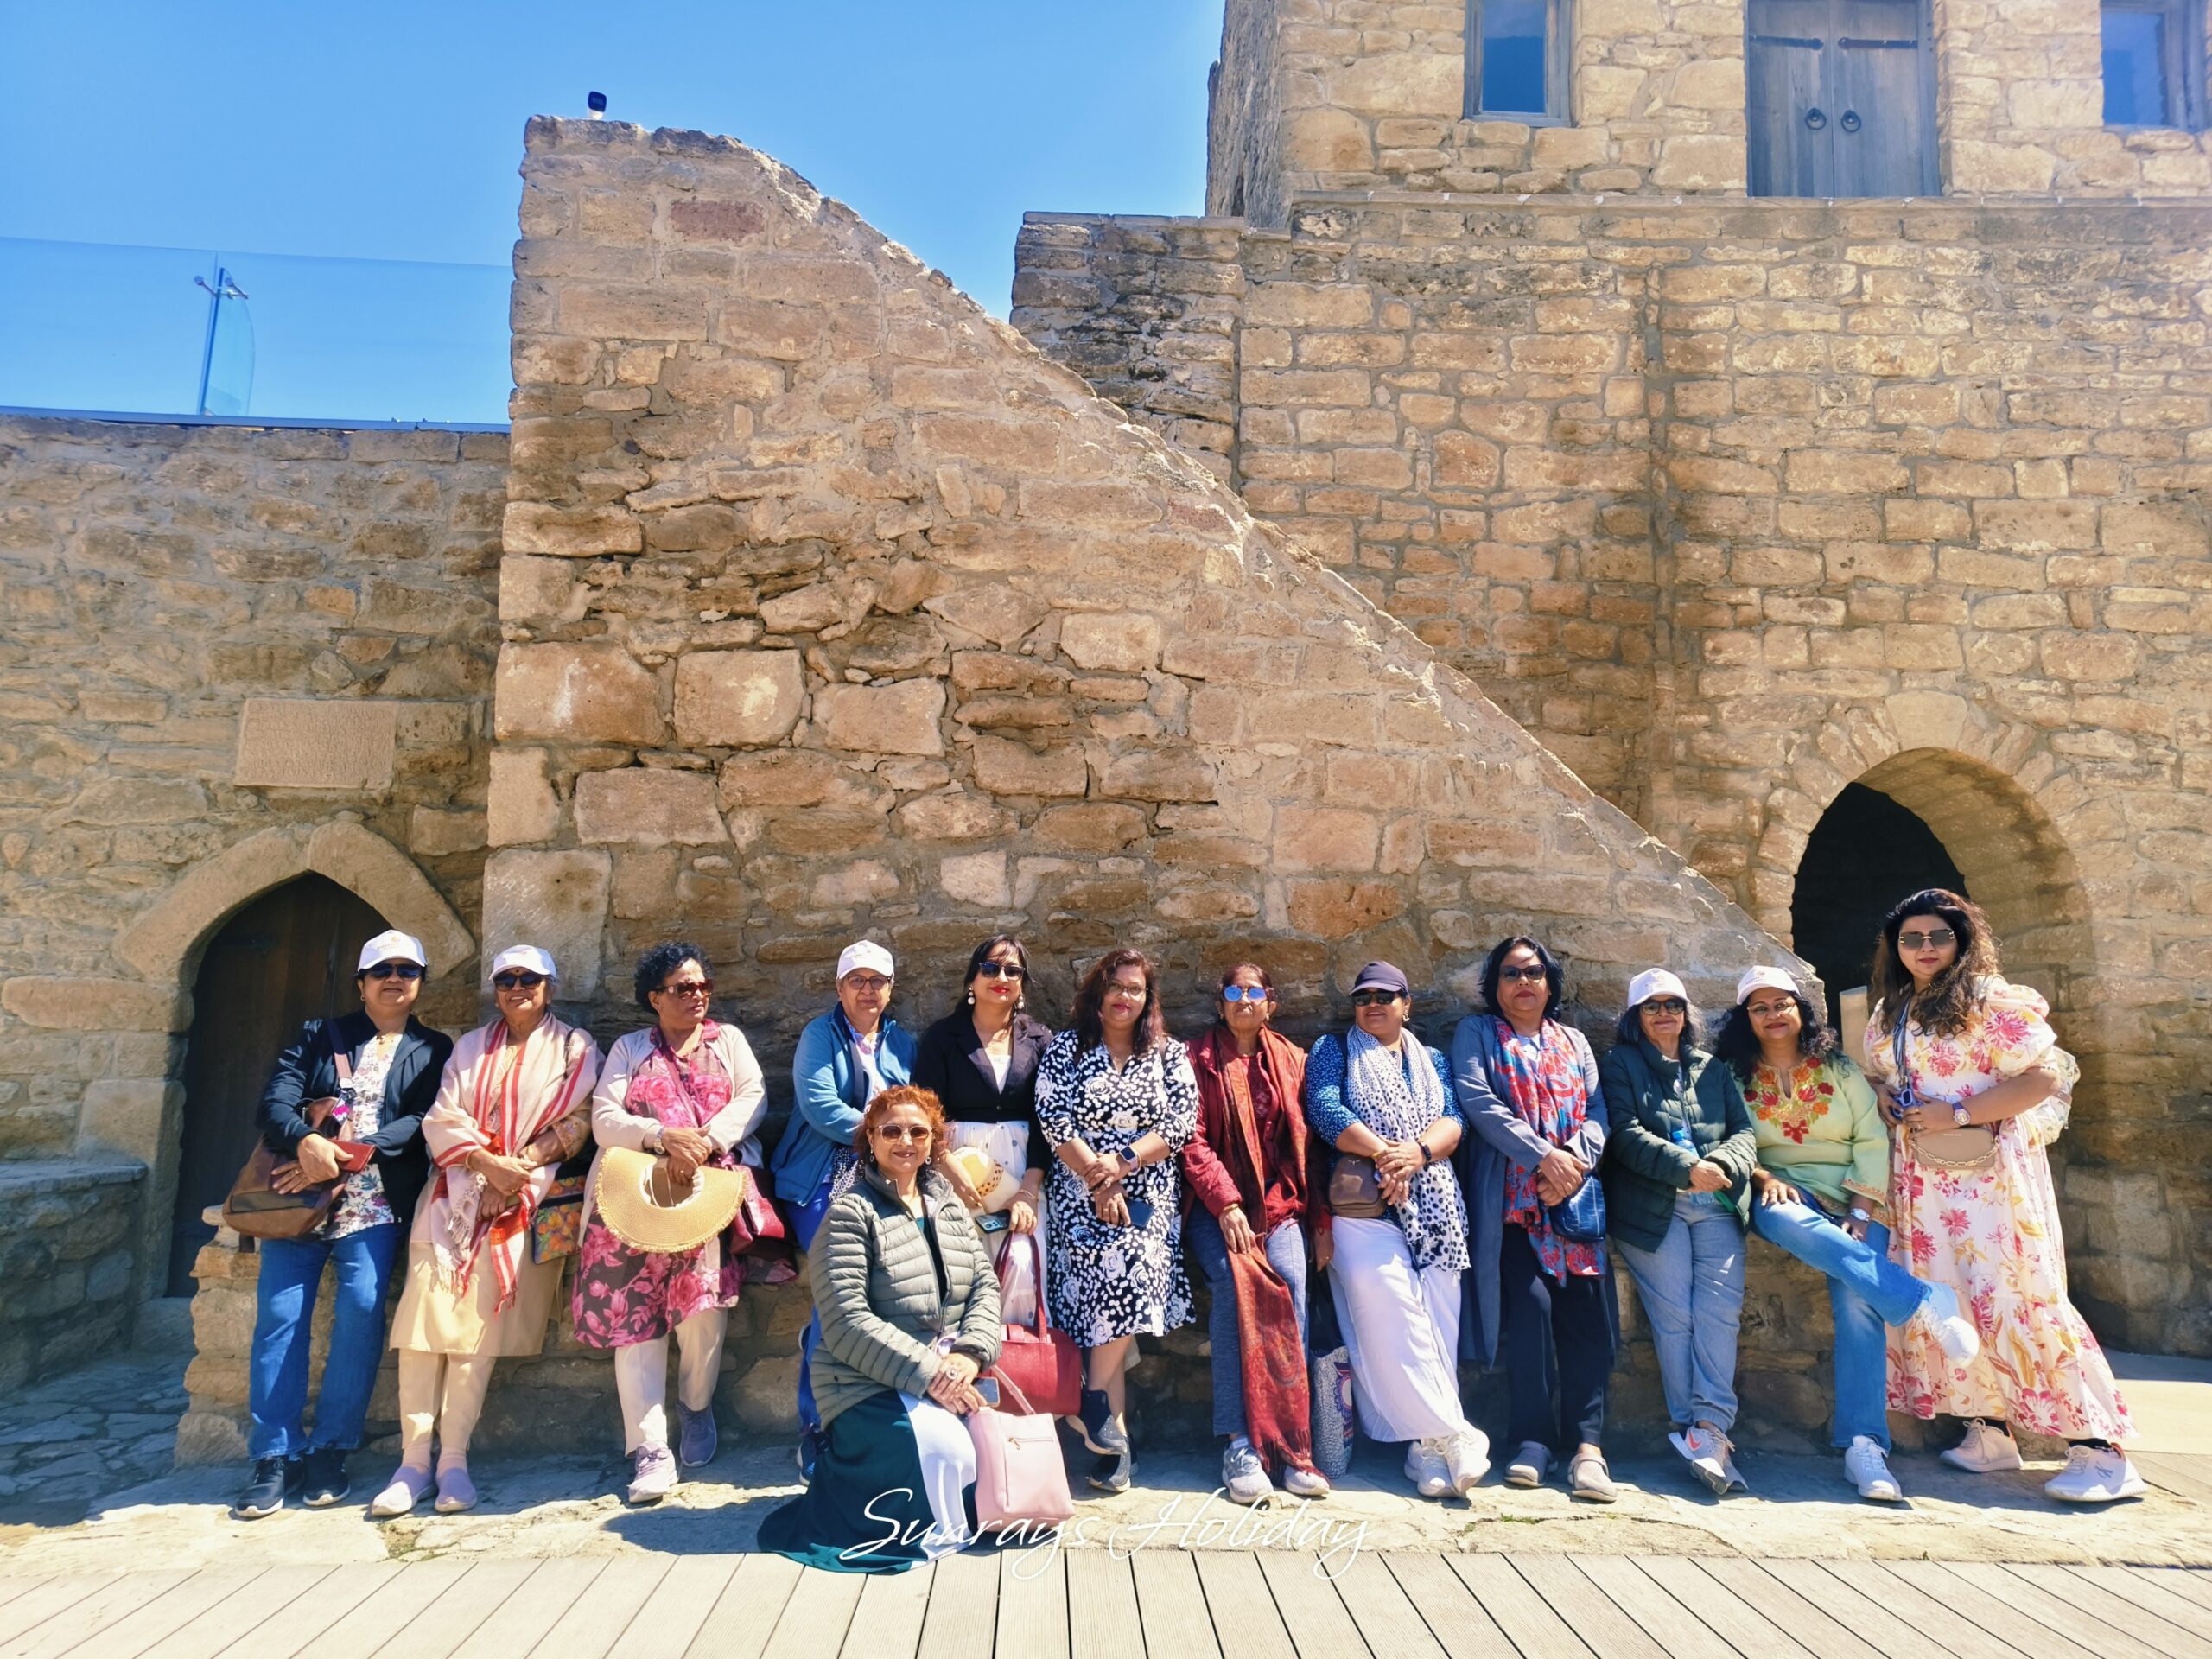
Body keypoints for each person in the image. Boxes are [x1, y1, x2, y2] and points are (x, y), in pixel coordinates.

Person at [1865, 887, 2142, 1503]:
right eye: (1912, 938)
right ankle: (1988, 1432)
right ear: (1896, 947)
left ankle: (2101, 1450)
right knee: (1949, 1297)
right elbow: (1882, 1073)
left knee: (2020, 1295)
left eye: (1939, 936)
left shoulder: (1990, 1001)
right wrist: (1883, 1094)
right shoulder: (1893, 1011)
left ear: (1962, 941)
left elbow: (2043, 1076)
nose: (1926, 948)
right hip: (1924, 1183)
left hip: (1992, 1180)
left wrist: (1959, 1112)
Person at [1714, 965, 1980, 1503]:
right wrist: (1765, 1178)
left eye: (1782, 1004)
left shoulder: (1838, 1067)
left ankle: (1865, 1446)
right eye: (1759, 1008)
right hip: (1783, 1190)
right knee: (1783, 1218)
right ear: (1746, 1019)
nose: (1772, 1015)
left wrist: (1860, 1208)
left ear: (1800, 1010)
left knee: (1859, 1304)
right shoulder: (1732, 1076)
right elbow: (1730, 1139)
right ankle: (1920, 1299)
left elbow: (1871, 1138)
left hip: (1856, 1193)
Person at [370, 944, 599, 1517]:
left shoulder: (575, 1048)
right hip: (452, 1198)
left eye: (529, 979)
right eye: (506, 980)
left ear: (549, 987)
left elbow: (579, 1121)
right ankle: (411, 1463)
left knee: (477, 1333)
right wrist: (483, 1166)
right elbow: (442, 1118)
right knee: (422, 1329)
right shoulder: (470, 1047)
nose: (517, 988)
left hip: (521, 1199)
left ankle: (453, 1460)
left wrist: (514, 1170)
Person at [236, 929, 453, 1520]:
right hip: (298, 1203)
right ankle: (274, 1455)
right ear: (361, 984)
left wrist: (348, 1156)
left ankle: (330, 1450)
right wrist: (306, 1141)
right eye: (382, 970)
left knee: (359, 1320)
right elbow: (275, 1101)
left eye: (407, 970)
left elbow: (423, 1119)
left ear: (420, 984)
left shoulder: (434, 1048)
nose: (394, 979)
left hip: (373, 1207)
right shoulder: (319, 1035)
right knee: (279, 1322)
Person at [759, 1084, 1002, 1572]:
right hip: (864, 1381)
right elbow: (847, 1321)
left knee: (997, 1448)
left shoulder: (948, 1205)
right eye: (891, 1131)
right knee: (949, 1452)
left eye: (919, 1132)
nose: (905, 1141)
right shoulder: (849, 1214)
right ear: (870, 1139)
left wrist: (970, 1354)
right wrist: (932, 1373)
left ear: (934, 1141)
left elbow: (985, 1286)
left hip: (951, 1369)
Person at [572, 941, 768, 1505]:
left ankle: (696, 1406)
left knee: (703, 1312)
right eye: (683, 988)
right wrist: (662, 1137)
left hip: (704, 1196)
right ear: (654, 998)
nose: (697, 995)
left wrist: (705, 1141)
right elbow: (605, 1118)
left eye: (703, 985)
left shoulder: (728, 1043)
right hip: (634, 1201)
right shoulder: (630, 1049)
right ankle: (650, 1448)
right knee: (635, 1320)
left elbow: (753, 1097)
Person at [1307, 961, 1488, 1501]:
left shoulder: (1432, 1060)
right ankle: (1456, 1433)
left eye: (1385, 996)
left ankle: (1426, 1452)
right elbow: (1325, 1109)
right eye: (1363, 997)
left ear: (1406, 1005)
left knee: (1438, 1326)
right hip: (1364, 1211)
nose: (1373, 1005)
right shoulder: (1334, 1050)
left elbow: (1454, 1120)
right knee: (1397, 1321)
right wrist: (1388, 1155)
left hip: (1436, 1209)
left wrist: (1418, 1153)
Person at [1452, 937, 1616, 1503]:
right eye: (1511, 973)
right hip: (1514, 1205)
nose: (1524, 982)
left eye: (1534, 972)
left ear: (1550, 982)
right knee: (1531, 1315)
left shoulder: (1573, 1041)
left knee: (1586, 1320)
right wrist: (1544, 1157)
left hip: (1573, 1206)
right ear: (1494, 985)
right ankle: (1533, 1440)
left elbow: (1598, 1111)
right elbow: (1478, 1101)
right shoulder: (1477, 1034)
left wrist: (1573, 1162)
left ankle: (1588, 1448)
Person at [1035, 947, 1198, 1495]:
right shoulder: (1065, 1049)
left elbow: (1180, 1123)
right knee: (1107, 1314)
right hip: (1079, 1194)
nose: (1124, 996)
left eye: (1135, 988)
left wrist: (1123, 1164)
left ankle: (1091, 1406)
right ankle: (1113, 1442)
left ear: (1147, 998)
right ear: (1097, 992)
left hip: (1147, 1194)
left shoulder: (1169, 1054)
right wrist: (1099, 1180)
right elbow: (1054, 1120)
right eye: (1116, 986)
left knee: (1127, 1273)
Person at [1599, 969, 1760, 1496]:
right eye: (1652, 1007)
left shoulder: (1711, 1069)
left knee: (1719, 1315)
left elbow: (1743, 1131)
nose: (1664, 1014)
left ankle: (1710, 1430)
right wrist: (1686, 1168)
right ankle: (1695, 1431)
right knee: (1676, 1320)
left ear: (1687, 1013)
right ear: (1635, 1018)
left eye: (1673, 1005)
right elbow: (1624, 1134)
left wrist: (1721, 1166)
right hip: (1653, 1208)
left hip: (1715, 1204)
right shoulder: (1620, 1064)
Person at [1183, 963, 1332, 1504]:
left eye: (1253, 991)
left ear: (1271, 1003)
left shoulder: (1292, 1060)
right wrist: (1226, 1204)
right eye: (1233, 990)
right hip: (1212, 1206)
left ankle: (1292, 1445)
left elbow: (1310, 1147)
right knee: (1234, 1284)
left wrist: (1320, 1221)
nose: (1243, 999)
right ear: (1220, 1003)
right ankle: (1241, 1443)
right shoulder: (1195, 1059)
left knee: (1290, 1282)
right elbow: (1191, 1140)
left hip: (1280, 1205)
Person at [773, 940, 916, 1471]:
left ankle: (877, 1419)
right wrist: (885, 1135)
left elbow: (918, 1108)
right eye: (856, 980)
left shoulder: (903, 1041)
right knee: (838, 1293)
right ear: (839, 988)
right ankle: (817, 1427)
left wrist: (899, 1145)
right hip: (825, 1172)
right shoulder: (820, 1035)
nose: (867, 990)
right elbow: (820, 1106)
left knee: (892, 1291)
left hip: (887, 1173)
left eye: (877, 980)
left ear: (891, 989)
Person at [912, 935, 1052, 1315]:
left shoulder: (1040, 1040)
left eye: (1012, 970)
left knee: (1022, 1262)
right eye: (990, 968)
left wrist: (1029, 1190)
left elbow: (1047, 1120)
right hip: (958, 1163)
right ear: (972, 979)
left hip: (1022, 1168)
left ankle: (1017, 1350)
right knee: (964, 1268)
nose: (1001, 977)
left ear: (1022, 983)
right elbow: (925, 1110)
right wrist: (946, 1164)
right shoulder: (943, 1037)